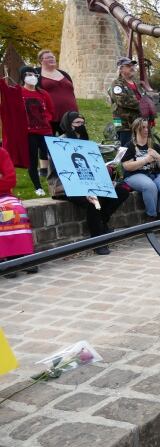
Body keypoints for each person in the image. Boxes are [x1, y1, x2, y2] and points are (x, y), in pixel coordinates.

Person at [47, 112, 130, 254]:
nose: (81, 126)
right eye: (77, 123)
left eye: (82, 123)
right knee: (94, 201)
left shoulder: (85, 142)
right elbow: (63, 171)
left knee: (121, 191)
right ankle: (97, 240)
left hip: (89, 182)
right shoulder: (59, 143)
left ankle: (102, 222)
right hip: (66, 185)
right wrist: (83, 189)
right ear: (68, 125)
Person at [120, 118, 160, 220]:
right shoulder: (129, 146)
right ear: (136, 129)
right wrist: (145, 160)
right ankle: (151, 216)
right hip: (134, 175)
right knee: (149, 186)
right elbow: (127, 166)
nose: (146, 130)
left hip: (154, 173)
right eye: (143, 128)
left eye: (147, 127)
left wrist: (158, 156)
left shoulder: (153, 145)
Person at [18, 65, 55, 197]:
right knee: (32, 160)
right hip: (29, 133)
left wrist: (45, 119)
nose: (32, 77)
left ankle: (57, 184)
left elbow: (51, 110)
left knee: (54, 157)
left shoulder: (43, 94)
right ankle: (38, 187)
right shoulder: (18, 93)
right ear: (23, 77)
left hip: (45, 131)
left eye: (34, 74)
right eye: (28, 74)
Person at [0, 145, 37, 278]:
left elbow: (10, 180)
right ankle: (7, 259)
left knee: (16, 210)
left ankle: (22, 255)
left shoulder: (1, 152)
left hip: (3, 195)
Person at [34, 49, 78, 136]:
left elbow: (71, 93)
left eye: (52, 57)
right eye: (48, 57)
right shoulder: (36, 74)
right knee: (50, 143)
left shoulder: (64, 74)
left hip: (70, 114)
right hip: (50, 116)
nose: (52, 59)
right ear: (41, 60)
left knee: (71, 140)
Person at [109, 57, 149, 147]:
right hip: (124, 124)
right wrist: (143, 105)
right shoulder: (116, 84)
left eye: (132, 65)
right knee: (126, 149)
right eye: (128, 66)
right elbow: (122, 100)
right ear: (121, 69)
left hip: (139, 122)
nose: (132, 67)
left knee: (141, 147)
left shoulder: (137, 84)